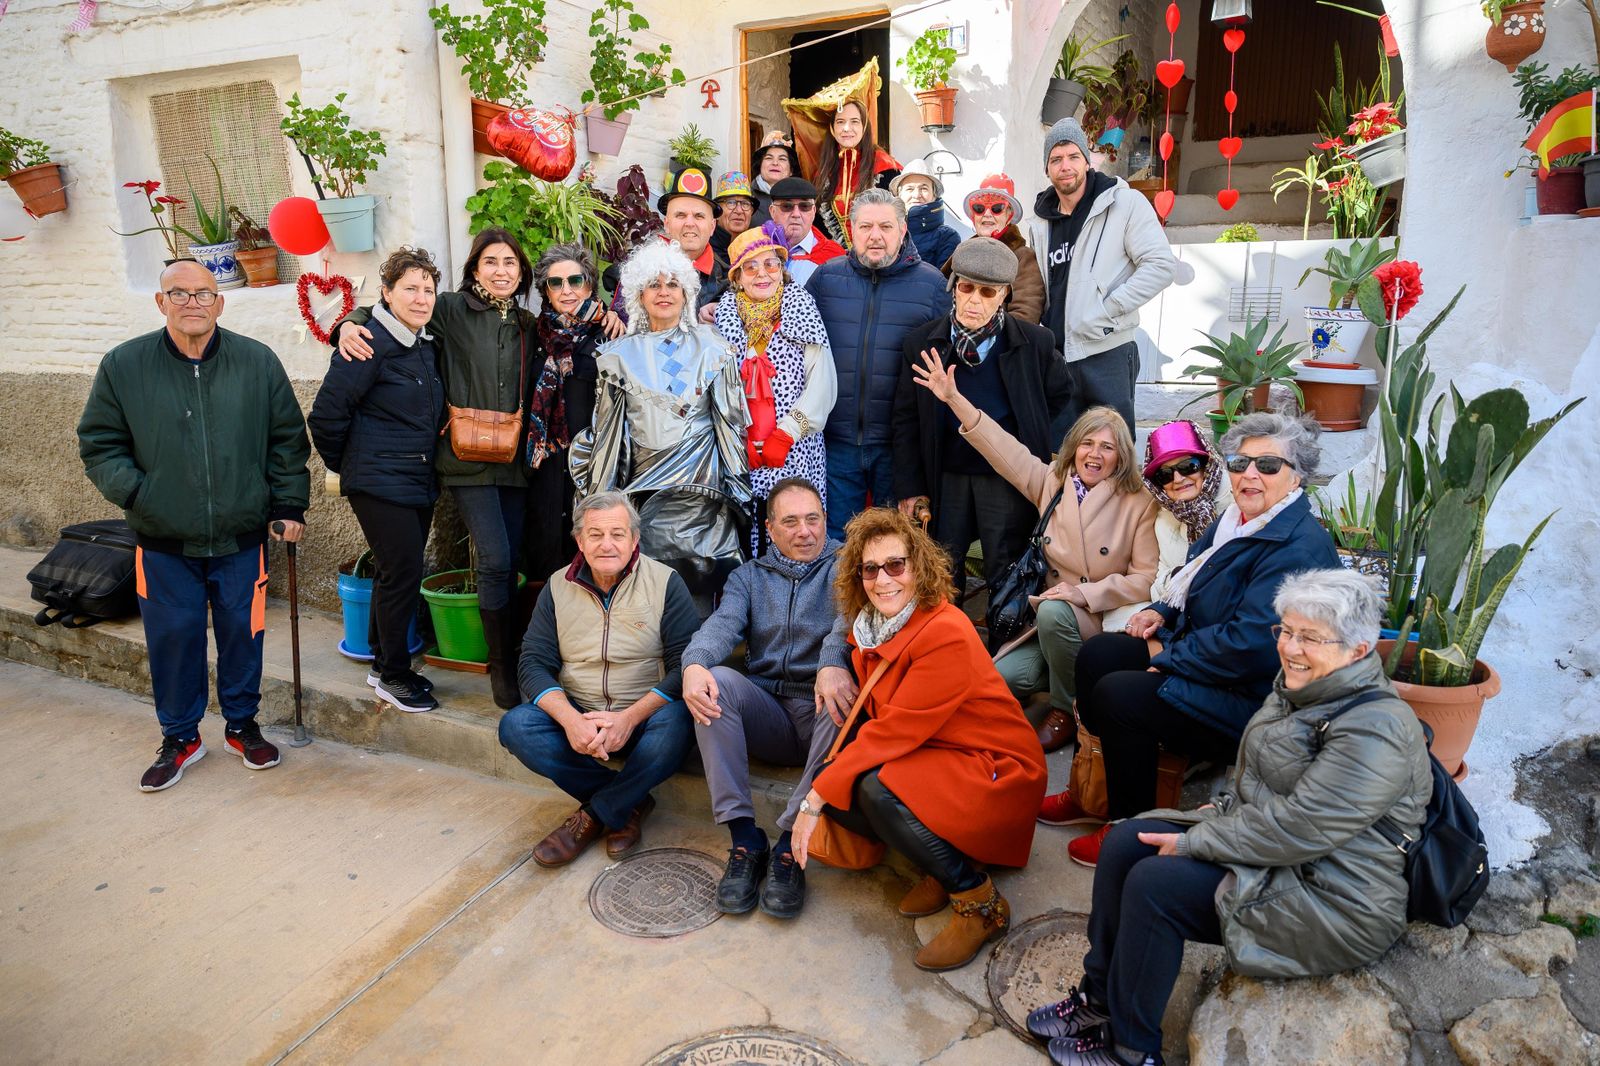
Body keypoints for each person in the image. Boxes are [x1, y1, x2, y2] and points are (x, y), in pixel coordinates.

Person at [1031, 569, 1431, 1066]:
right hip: (1281, 863)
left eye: (1310, 637)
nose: (1291, 648)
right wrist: (1216, 813)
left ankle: (1132, 1049)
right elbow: (1260, 787)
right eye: (1285, 631)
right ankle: (1098, 1001)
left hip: (1335, 897)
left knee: (1156, 885)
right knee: (1123, 841)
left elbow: (1299, 828)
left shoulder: (1377, 729)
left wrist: (1195, 842)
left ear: (1359, 650)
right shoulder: (1299, 689)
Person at [1042, 408, 1341, 868]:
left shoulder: (1295, 545)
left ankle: (1130, 827)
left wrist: (1167, 659)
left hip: (1256, 700)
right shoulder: (1237, 521)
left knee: (1121, 696)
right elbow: (1189, 577)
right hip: (1214, 663)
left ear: (1297, 476)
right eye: (1241, 464)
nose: (1251, 475)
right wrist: (1159, 612)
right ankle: (1091, 792)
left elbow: (1251, 646)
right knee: (1099, 655)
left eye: (1268, 465)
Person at [78, 260, 310, 791]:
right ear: (160, 303)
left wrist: (288, 507)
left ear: (220, 303)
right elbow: (100, 444)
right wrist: (139, 495)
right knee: (173, 637)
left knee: (241, 634)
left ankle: (242, 726)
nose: (192, 303)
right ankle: (180, 736)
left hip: (241, 536)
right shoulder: (124, 365)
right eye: (178, 293)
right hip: (162, 540)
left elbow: (287, 442)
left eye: (204, 293)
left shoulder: (257, 362)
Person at [790, 508, 1047, 972]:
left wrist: (811, 802)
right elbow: (888, 727)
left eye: (895, 565)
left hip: (996, 768)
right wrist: (823, 788)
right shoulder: (872, 627)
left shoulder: (945, 629)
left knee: (866, 785)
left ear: (919, 567)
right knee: (842, 780)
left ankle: (978, 901)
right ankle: (940, 862)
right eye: (870, 568)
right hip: (939, 752)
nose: (882, 579)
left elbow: (894, 730)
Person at [914, 340, 1159, 757]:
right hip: (1046, 625)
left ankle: (1067, 710)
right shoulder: (1053, 484)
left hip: (1099, 623)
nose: (1093, 454)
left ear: (1121, 457)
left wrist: (1082, 593)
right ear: (1073, 447)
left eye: (1107, 447)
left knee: (1055, 610)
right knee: (996, 679)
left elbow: (1145, 578)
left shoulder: (1139, 501)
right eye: (1086, 443)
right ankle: (1058, 682)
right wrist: (954, 398)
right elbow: (1000, 447)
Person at [680, 478, 857, 919]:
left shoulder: (846, 566)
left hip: (822, 712)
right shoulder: (749, 577)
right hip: (768, 714)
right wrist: (694, 664)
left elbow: (847, 621)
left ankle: (789, 844)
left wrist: (832, 662)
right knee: (714, 681)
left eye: (813, 519)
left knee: (845, 702)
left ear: (825, 521)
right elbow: (723, 625)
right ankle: (745, 838)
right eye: (791, 522)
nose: (805, 532)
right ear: (771, 528)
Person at [498, 493, 698, 866]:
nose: (607, 544)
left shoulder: (665, 583)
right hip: (582, 717)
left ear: (635, 540)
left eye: (618, 534)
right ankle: (628, 800)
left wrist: (629, 718)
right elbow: (533, 663)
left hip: (643, 718)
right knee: (516, 726)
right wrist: (571, 721)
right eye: (595, 534)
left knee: (682, 720)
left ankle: (594, 815)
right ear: (579, 541)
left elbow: (684, 666)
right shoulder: (558, 587)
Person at [570, 242, 752, 614]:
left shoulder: (714, 347)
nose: (664, 292)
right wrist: (599, 501)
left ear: (686, 293)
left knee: (699, 596)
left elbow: (730, 425)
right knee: (648, 601)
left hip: (702, 496)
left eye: (673, 284)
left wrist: (738, 488)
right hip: (644, 499)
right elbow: (608, 433)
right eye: (654, 284)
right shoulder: (617, 356)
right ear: (639, 294)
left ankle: (696, 668)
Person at [308, 247, 446, 713]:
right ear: (386, 292)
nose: (421, 297)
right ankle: (394, 676)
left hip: (416, 478)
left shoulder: (423, 343)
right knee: (403, 573)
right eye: (410, 288)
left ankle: (379, 661)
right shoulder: (367, 342)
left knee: (394, 573)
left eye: (428, 289)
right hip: (380, 483)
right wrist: (351, 468)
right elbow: (326, 414)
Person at [893, 237, 1074, 591]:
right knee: (943, 566)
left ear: (1005, 294)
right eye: (967, 287)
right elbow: (906, 420)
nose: (975, 300)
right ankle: (948, 642)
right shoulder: (922, 343)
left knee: (1006, 566)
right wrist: (911, 486)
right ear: (954, 288)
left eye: (988, 292)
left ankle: (1006, 644)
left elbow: (1059, 394)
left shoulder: (1034, 343)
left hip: (1007, 475)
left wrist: (1025, 430)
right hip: (946, 474)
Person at [806, 188, 951, 539]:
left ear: (903, 230)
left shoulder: (932, 285)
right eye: (866, 226)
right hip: (837, 441)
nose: (875, 236)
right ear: (851, 230)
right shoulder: (826, 279)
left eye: (885, 227)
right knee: (839, 541)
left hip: (897, 446)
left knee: (893, 541)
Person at [1029, 118, 1176, 432]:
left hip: (1107, 352)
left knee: (1112, 454)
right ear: (1046, 169)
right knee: (1060, 458)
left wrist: (1108, 309)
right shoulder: (1039, 222)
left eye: (1072, 156)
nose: (1065, 166)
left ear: (1086, 160)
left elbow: (1161, 265)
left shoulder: (1123, 203)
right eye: (1055, 159)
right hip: (1058, 358)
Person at [712, 221, 836, 550]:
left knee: (794, 530)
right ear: (736, 277)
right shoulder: (725, 318)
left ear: (782, 269)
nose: (762, 274)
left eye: (770, 264)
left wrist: (788, 432)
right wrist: (738, 437)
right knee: (749, 535)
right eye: (750, 267)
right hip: (743, 452)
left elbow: (822, 382)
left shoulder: (801, 308)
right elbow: (718, 386)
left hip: (795, 449)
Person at [521, 243, 611, 584]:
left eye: (575, 280)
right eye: (555, 283)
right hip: (544, 471)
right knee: (544, 562)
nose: (567, 290)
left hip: (590, 470)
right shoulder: (533, 334)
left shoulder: (609, 334)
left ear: (589, 285)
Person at [1100, 419, 1232, 637]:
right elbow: (1157, 587)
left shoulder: (1236, 505)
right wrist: (1181, 575)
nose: (1178, 479)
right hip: (1180, 618)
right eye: (1165, 474)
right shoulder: (1164, 518)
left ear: (1205, 467)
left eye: (1188, 467)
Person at [784, 60, 901, 250]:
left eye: (854, 122)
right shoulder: (823, 173)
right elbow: (817, 227)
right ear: (831, 128)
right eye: (840, 122)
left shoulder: (886, 168)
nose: (847, 129)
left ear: (864, 127)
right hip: (834, 264)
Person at [942, 174, 1045, 325]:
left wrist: (984, 337)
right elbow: (940, 297)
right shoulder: (962, 252)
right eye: (979, 208)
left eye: (997, 208)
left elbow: (1025, 315)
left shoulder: (1023, 257)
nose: (987, 214)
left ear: (1009, 214)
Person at [766, 176, 845, 287]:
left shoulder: (835, 257)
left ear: (813, 211)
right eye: (787, 206)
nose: (796, 214)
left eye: (804, 206)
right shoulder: (754, 249)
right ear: (772, 211)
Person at [891, 159, 962, 270]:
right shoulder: (885, 230)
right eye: (910, 189)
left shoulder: (947, 237)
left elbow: (943, 283)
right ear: (899, 195)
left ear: (934, 195)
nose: (916, 195)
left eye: (924, 188)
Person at [710, 170, 762, 272]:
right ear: (717, 210)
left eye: (745, 204)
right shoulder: (704, 247)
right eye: (730, 203)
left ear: (751, 211)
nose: (739, 210)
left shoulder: (758, 248)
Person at [751, 130, 800, 215]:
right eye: (769, 158)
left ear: (791, 170)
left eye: (782, 159)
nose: (775, 163)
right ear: (760, 165)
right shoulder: (747, 198)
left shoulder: (801, 198)